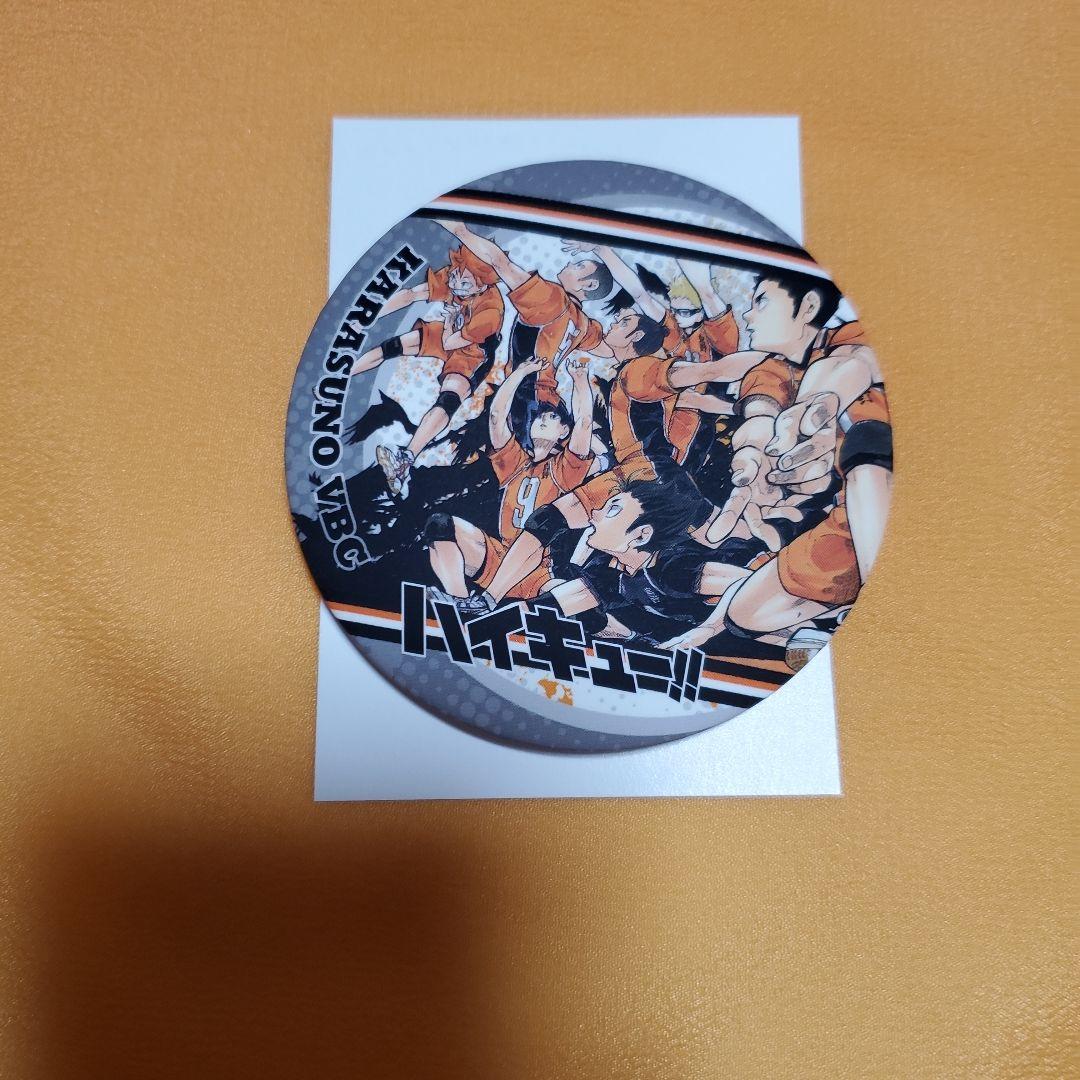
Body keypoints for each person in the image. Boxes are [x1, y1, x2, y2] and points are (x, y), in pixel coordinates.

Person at [425, 354, 595, 603]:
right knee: (439, 524)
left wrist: (580, 381)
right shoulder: (516, 462)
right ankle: (460, 601)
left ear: (564, 431)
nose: (542, 420)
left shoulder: (565, 468)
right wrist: (520, 373)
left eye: (552, 417)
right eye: (540, 416)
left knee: (571, 597)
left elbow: (585, 423)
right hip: (499, 557)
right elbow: (496, 416)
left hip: (535, 571)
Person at [348, 243, 505, 495]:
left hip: (471, 352)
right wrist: (369, 317)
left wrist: (451, 324)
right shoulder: (458, 274)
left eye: (465, 282)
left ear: (481, 286)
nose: (456, 283)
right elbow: (410, 294)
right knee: (391, 347)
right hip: (449, 329)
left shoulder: (490, 311)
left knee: (448, 399)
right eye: (455, 275)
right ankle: (346, 373)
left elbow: (450, 342)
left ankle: (405, 460)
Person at [435, 219, 615, 406]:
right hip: (546, 398)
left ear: (589, 285)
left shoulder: (552, 298)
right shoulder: (585, 324)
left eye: (579, 266)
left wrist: (461, 231)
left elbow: (500, 263)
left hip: (525, 394)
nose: (570, 263)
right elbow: (608, 352)